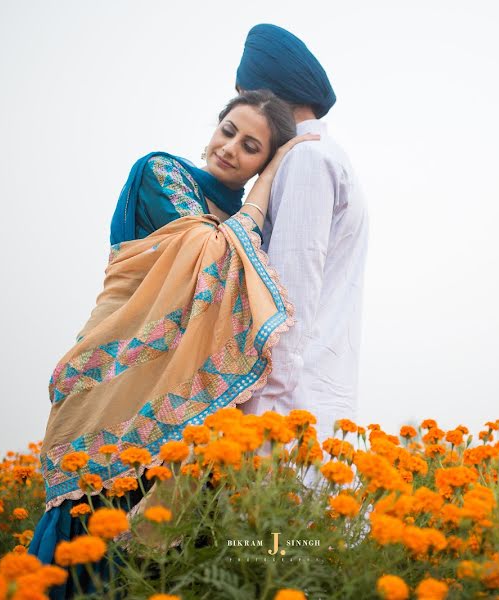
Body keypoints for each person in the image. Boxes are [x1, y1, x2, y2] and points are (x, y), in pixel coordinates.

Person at [28, 89, 317, 596]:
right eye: (228, 130)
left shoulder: (245, 227)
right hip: (109, 378)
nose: (230, 148)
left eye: (251, 148)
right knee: (87, 526)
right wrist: (267, 182)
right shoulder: (163, 173)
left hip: (180, 405)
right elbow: (209, 253)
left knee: (155, 559)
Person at [235, 25, 370, 475]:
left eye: (244, 97)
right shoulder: (318, 154)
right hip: (305, 403)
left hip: (287, 420)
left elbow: (286, 305)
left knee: (272, 546)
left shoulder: (307, 159)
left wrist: (262, 429)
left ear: (263, 95)